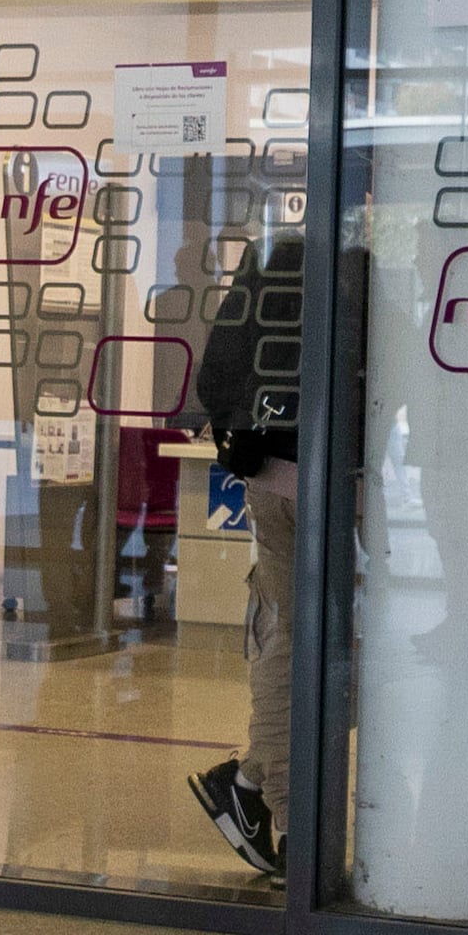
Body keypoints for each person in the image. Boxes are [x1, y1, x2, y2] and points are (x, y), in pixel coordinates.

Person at [187, 225, 304, 880]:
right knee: (301, 644)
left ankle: (258, 782)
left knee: (296, 638)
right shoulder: (365, 260)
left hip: (276, 478)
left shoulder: (274, 254)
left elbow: (218, 370)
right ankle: (289, 817)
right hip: (329, 483)